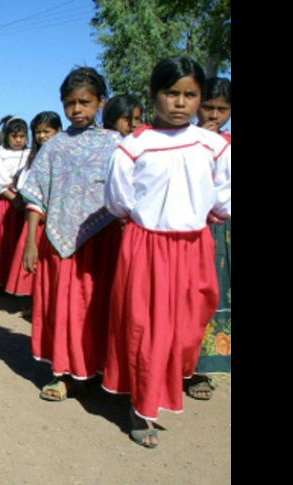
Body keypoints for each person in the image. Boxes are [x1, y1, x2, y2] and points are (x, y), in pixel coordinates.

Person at [102, 57, 230, 448]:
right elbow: (118, 200)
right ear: (154, 94)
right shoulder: (133, 147)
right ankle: (142, 407)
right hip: (146, 246)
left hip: (194, 246)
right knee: (146, 329)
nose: (180, 102)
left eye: (190, 94)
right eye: (171, 93)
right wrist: (148, 224)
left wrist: (199, 217)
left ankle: (169, 381)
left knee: (188, 327)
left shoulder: (214, 146)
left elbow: (223, 198)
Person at [20, 67, 124, 402]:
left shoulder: (116, 145)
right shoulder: (54, 147)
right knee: (63, 307)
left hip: (103, 240)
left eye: (85, 102)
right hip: (59, 241)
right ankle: (63, 371)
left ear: (101, 102)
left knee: (96, 305)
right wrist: (31, 243)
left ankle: (96, 368)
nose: (77, 109)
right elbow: (36, 196)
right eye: (70, 103)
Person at [190, 77, 231, 396]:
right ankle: (184, 367)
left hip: (223, 231)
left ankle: (204, 368)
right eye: (208, 107)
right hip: (189, 229)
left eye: (222, 109)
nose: (214, 116)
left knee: (216, 292)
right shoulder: (183, 142)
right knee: (188, 296)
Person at [5, 112, 62, 307]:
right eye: (38, 132)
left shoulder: (63, 154)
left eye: (47, 131)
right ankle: (35, 301)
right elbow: (27, 185)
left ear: (58, 131)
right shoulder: (34, 157)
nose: (42, 136)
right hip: (37, 216)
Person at [0, 116, 30, 295]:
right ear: (7, 136)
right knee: (2, 241)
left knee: (22, 242)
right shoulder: (0, 156)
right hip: (5, 203)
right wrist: (13, 199)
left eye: (22, 136)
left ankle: (19, 285)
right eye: (14, 136)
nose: (18, 140)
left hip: (25, 201)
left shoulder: (31, 154)